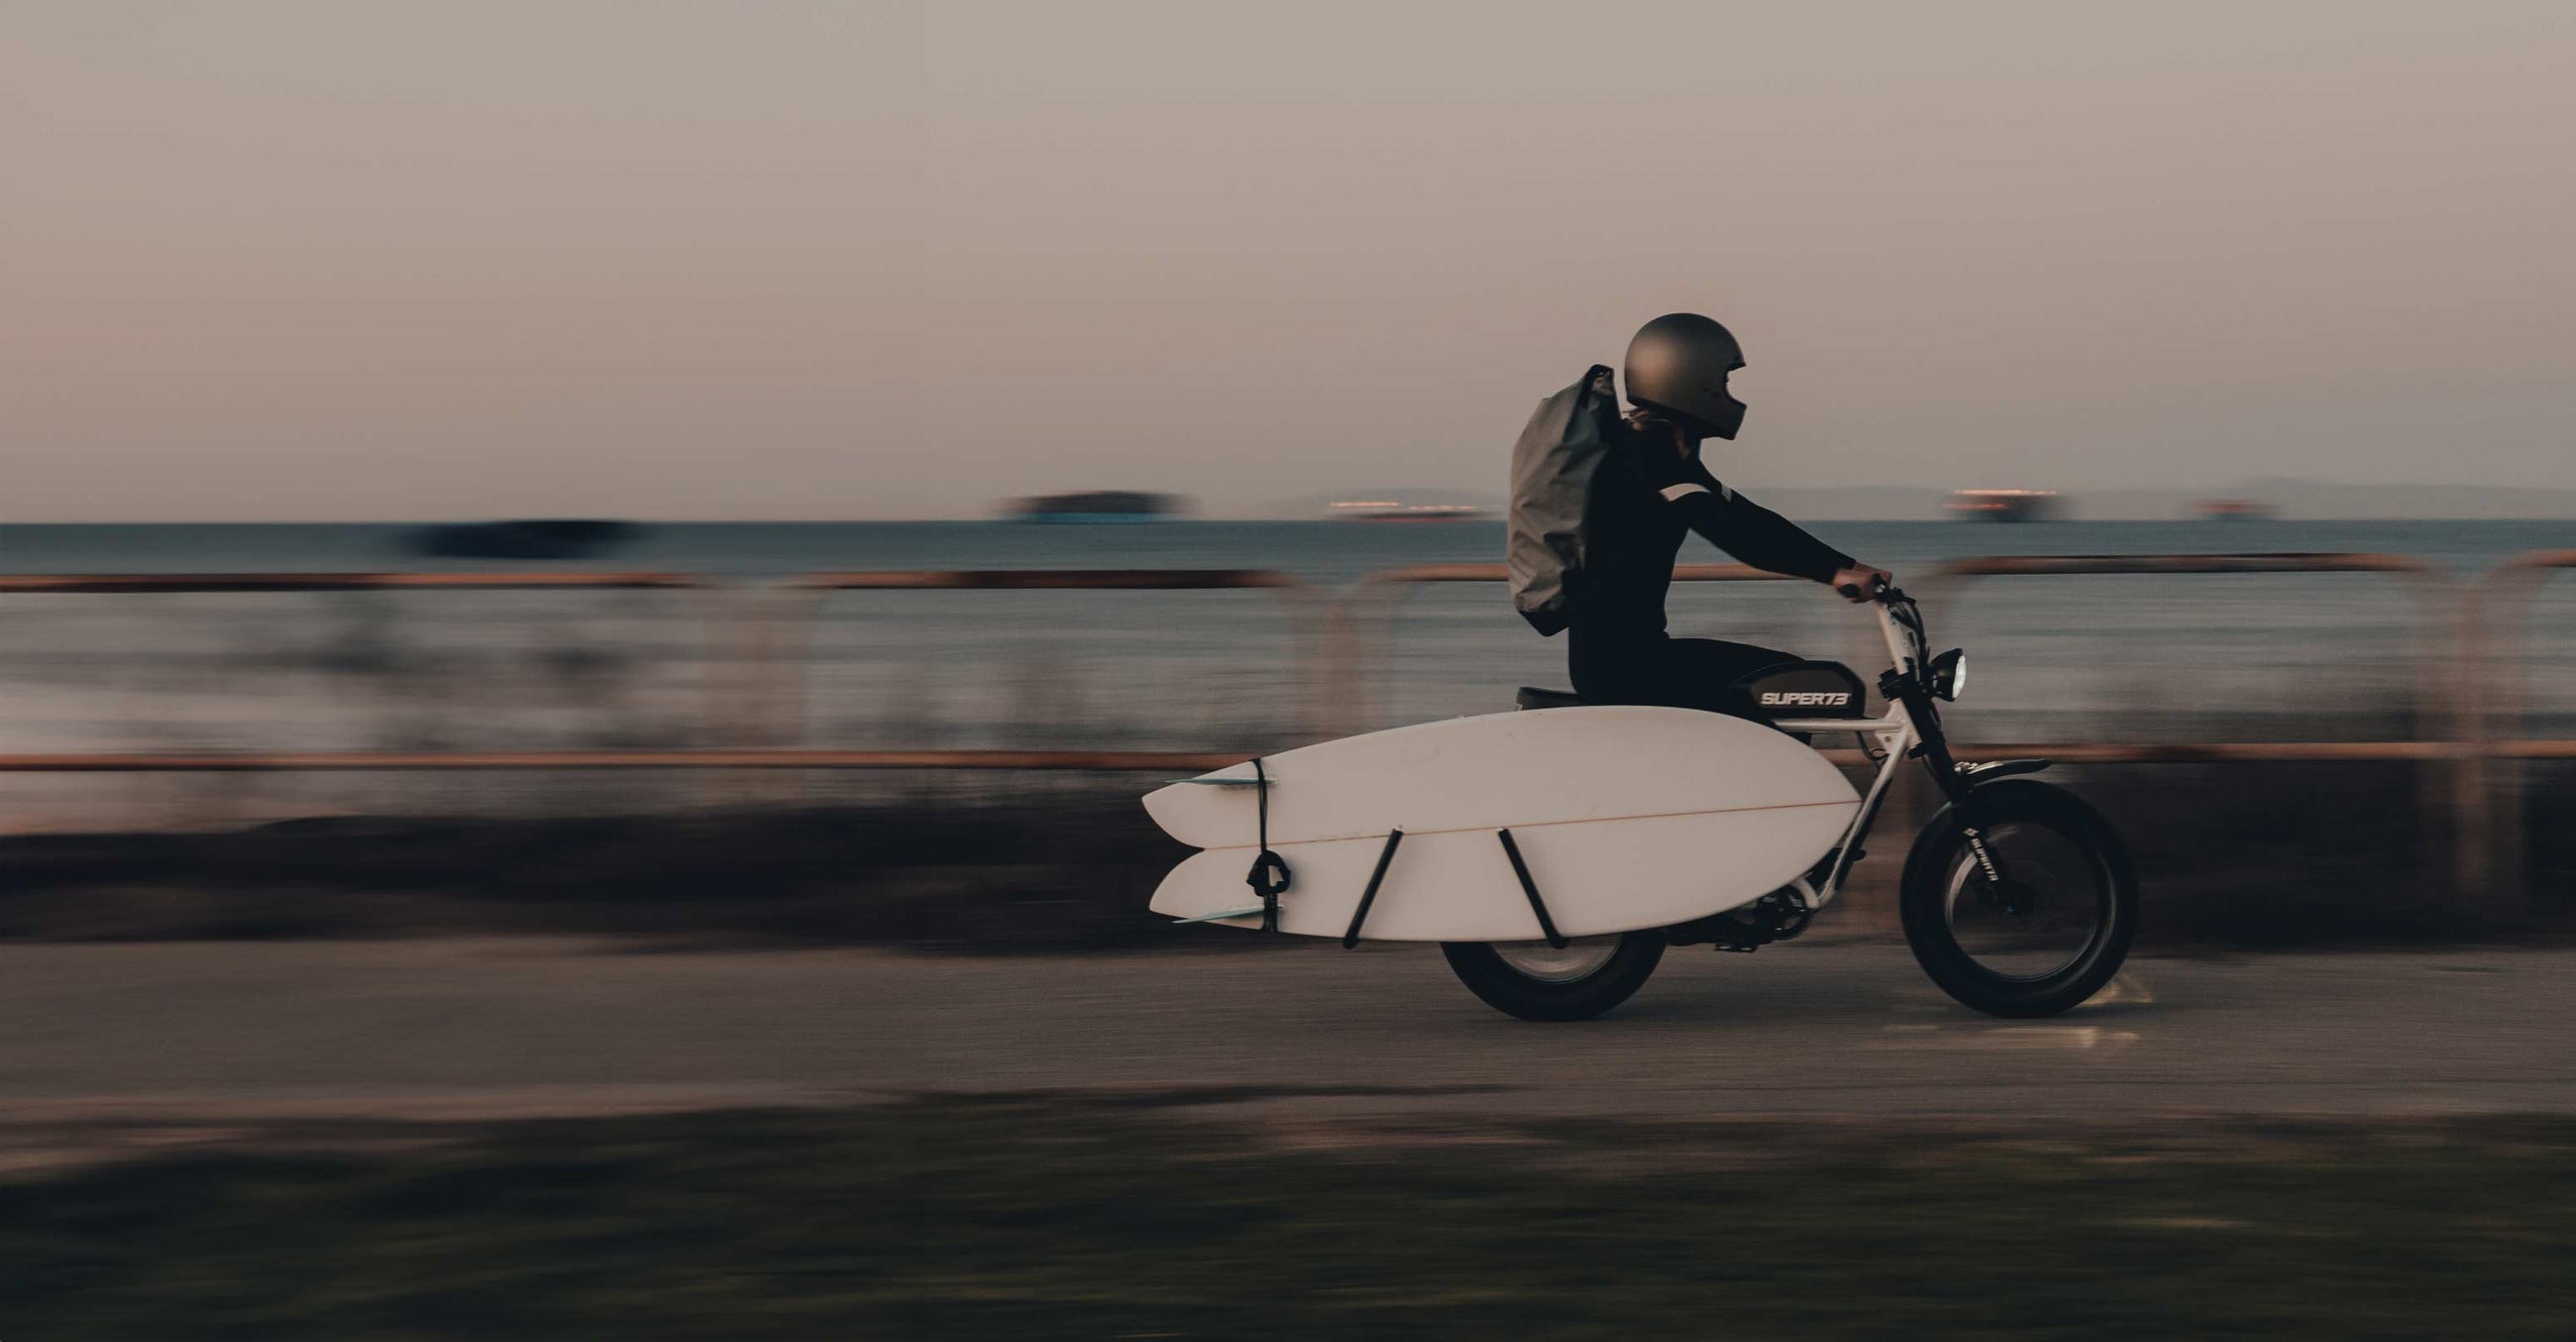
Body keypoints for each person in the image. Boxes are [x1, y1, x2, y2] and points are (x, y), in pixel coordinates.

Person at [1568, 313, 1891, 720]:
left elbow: (1746, 516)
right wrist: (1832, 573)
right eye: (1722, 382)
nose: (1727, 396)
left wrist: (1847, 565)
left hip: (1635, 657)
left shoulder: (1667, 454)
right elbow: (1734, 533)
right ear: (1689, 381)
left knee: (1793, 680)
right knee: (1799, 685)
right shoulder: (1646, 459)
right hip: (1622, 670)